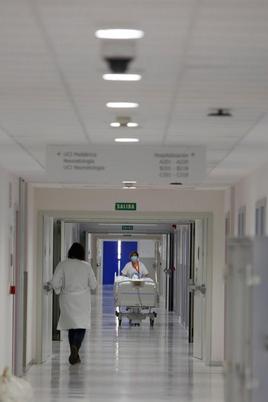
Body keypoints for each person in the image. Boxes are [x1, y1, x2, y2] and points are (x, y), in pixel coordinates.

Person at [49, 242, 97, 365]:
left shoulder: (63, 264)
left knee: (71, 325)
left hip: (67, 299)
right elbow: (93, 285)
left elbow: (55, 283)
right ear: (82, 253)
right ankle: (76, 347)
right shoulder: (86, 266)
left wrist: (58, 289)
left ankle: (73, 349)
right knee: (81, 325)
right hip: (82, 300)